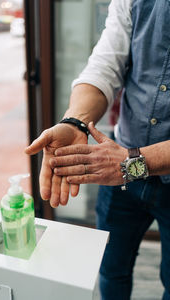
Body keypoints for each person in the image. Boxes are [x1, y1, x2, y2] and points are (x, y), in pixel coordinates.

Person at [25, 0, 170, 299]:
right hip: (119, 175)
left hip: (122, 165)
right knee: (111, 269)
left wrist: (133, 164)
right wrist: (75, 122)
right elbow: (105, 66)